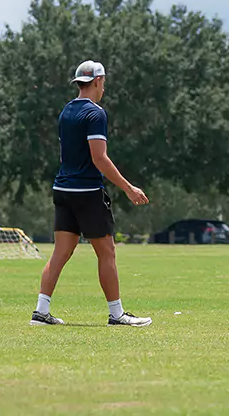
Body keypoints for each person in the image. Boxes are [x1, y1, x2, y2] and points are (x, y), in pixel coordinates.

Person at [30, 60, 152, 327]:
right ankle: (116, 314)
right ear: (98, 81)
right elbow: (99, 158)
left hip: (62, 190)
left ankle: (41, 312)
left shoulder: (66, 111)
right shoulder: (95, 114)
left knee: (60, 253)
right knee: (106, 252)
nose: (104, 87)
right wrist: (128, 188)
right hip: (86, 192)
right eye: (104, 82)